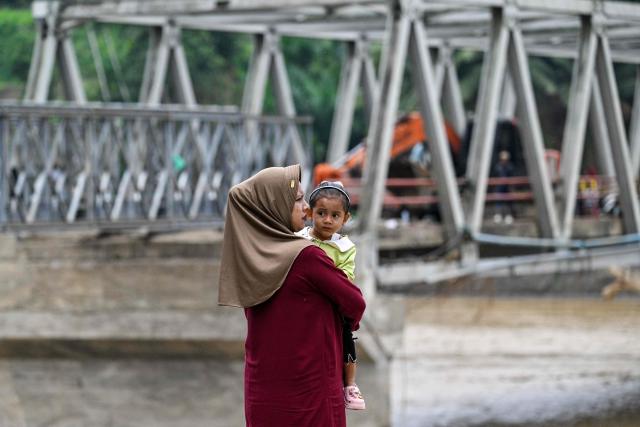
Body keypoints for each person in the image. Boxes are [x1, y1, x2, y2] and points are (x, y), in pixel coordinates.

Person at [218, 165, 366, 427]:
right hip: (310, 391)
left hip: (262, 390)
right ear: (275, 205)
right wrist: (341, 325)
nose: (306, 209)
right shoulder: (306, 256)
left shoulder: (249, 256)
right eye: (297, 199)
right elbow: (354, 303)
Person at [296, 180, 366, 411]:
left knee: (348, 340)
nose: (328, 220)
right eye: (322, 213)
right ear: (309, 213)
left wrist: (325, 277)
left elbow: (345, 276)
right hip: (306, 305)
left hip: (333, 305)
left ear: (345, 219)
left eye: (335, 216)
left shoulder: (345, 247)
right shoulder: (300, 239)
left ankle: (349, 385)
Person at [493, 150, 515, 224]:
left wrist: (511, 187)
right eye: (503, 159)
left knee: (508, 202)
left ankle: (508, 216)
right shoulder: (497, 167)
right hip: (499, 187)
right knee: (499, 202)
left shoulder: (510, 167)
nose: (504, 161)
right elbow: (495, 177)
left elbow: (512, 177)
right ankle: (498, 215)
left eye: (505, 159)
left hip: (507, 187)